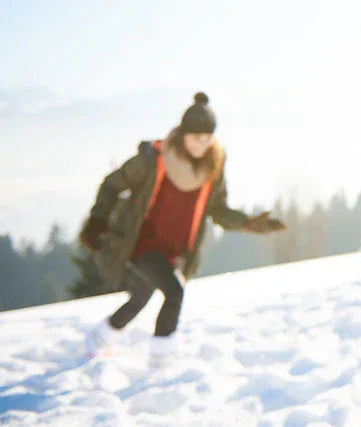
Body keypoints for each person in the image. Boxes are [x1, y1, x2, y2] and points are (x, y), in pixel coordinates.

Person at [78, 93, 285, 364]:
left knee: (141, 296)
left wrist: (248, 223)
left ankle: (99, 338)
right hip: (142, 242)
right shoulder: (154, 159)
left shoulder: (213, 166)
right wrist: (98, 220)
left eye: (207, 137)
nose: (201, 143)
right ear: (183, 134)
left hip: (174, 248)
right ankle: (161, 360)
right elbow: (113, 184)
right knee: (174, 292)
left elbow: (218, 209)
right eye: (195, 136)